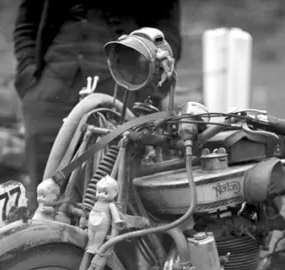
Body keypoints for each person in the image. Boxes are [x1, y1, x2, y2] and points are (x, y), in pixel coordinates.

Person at [13, 1, 182, 203]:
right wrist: (29, 78)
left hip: (123, 84)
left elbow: (166, 25)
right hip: (48, 92)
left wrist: (148, 87)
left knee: (119, 196)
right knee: (44, 194)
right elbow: (27, 23)